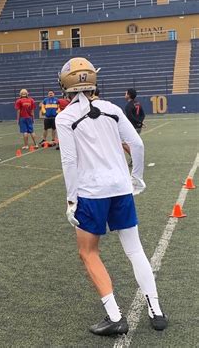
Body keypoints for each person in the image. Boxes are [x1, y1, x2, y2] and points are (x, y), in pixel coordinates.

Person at [56, 57, 167, 336]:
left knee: (88, 252)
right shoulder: (113, 109)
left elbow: (69, 161)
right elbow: (137, 144)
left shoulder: (65, 117)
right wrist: (136, 178)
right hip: (120, 188)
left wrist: (71, 200)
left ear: (65, 85)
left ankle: (115, 316)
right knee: (134, 249)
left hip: (91, 193)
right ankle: (156, 309)